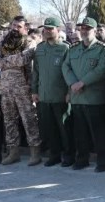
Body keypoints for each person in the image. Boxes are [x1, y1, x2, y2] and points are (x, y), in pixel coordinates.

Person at [62, 17, 105, 172]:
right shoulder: (74, 48)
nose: (84, 31)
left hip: (94, 98)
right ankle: (82, 159)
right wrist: (72, 83)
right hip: (77, 97)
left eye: (88, 28)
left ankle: (102, 162)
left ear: (95, 30)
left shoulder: (102, 49)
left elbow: (102, 70)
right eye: (82, 28)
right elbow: (65, 66)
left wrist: (82, 83)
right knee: (80, 133)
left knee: (98, 133)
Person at [0, 16, 42, 166]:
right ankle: (13, 152)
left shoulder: (29, 42)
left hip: (23, 88)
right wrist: (10, 60)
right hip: (6, 89)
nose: (15, 28)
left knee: (29, 120)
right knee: (9, 121)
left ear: (25, 28)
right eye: (13, 25)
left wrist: (4, 61)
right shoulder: (3, 42)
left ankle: (35, 152)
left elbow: (23, 59)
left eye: (19, 26)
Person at [31, 17, 73, 168]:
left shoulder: (65, 48)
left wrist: (69, 92)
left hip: (60, 95)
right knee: (49, 128)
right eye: (45, 29)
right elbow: (35, 71)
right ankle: (54, 155)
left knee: (64, 128)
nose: (47, 31)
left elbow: (70, 71)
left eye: (51, 28)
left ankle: (68, 155)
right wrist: (34, 90)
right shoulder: (40, 48)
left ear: (58, 30)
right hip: (43, 95)